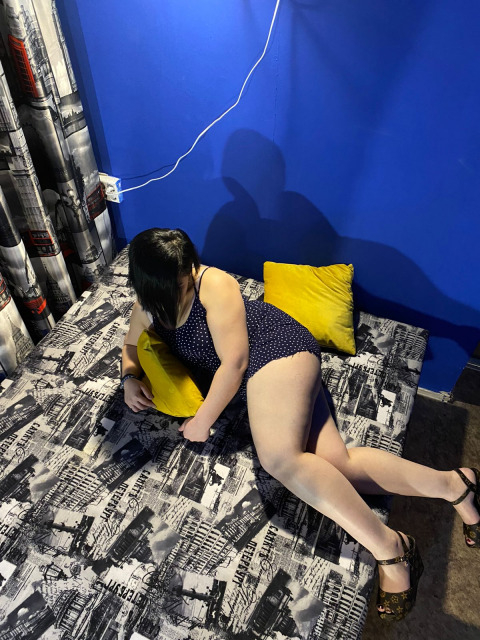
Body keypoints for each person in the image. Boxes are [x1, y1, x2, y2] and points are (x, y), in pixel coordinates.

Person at [121, 227, 480, 622]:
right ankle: (456, 485)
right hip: (261, 374)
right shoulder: (148, 306)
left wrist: (202, 421)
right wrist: (129, 379)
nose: (189, 281)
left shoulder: (214, 284)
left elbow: (235, 364)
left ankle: (391, 548)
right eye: (178, 281)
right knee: (336, 463)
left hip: (274, 350)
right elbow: (131, 345)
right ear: (152, 286)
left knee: (280, 459)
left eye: (188, 272)